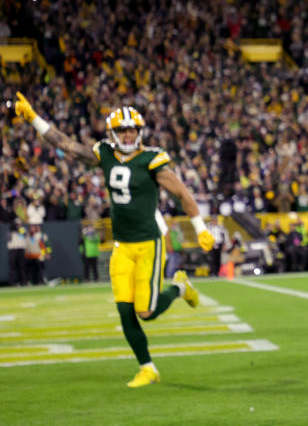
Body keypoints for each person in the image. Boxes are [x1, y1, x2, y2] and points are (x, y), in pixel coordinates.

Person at [14, 94, 215, 387]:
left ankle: (180, 287)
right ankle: (147, 368)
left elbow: (183, 193)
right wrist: (33, 118)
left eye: (133, 129)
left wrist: (200, 228)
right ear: (113, 133)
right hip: (122, 245)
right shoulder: (104, 154)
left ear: (140, 131)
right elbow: (64, 144)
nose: (129, 134)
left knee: (145, 312)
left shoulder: (152, 160)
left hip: (148, 244)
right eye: (123, 130)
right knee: (124, 309)